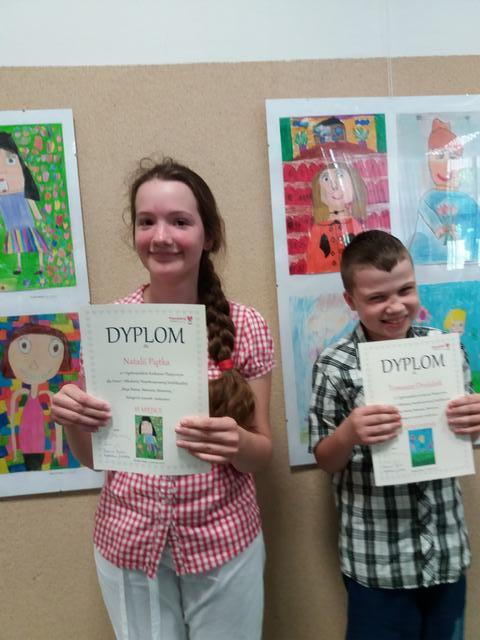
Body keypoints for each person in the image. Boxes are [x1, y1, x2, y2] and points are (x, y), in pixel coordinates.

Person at [51, 158, 275, 640]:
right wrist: (73, 419)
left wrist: (236, 443)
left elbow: (262, 453)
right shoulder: (110, 327)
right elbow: (94, 458)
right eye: (146, 221)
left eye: (180, 221)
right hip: (130, 542)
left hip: (223, 540)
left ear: (208, 234)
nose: (161, 236)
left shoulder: (246, 325)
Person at [309, 229, 480, 640]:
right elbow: (325, 458)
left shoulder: (444, 348)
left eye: (406, 290)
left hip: (445, 552)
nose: (396, 306)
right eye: (377, 297)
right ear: (351, 301)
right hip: (377, 561)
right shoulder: (334, 365)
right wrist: (349, 433)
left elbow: (467, 438)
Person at [1, 322, 71, 470]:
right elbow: (12, 424)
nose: (35, 362)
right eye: (24, 346)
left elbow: (58, 424)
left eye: (54, 349)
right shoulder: (18, 395)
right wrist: (15, 451)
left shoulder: (49, 396)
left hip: (41, 443)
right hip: (25, 444)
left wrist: (58, 448)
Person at [409, 118, 479, 265]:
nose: (446, 165)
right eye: (439, 156)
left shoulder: (467, 201)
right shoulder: (428, 198)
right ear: (429, 162)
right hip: (428, 263)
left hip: (465, 264)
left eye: (453, 157)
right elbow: (426, 215)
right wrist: (439, 228)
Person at [0, 131, 49, 275]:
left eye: (10, 161)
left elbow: (29, 197)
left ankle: (41, 265)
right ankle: (19, 265)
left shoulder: (22, 182)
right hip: (11, 220)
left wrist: (36, 213)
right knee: (16, 241)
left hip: (24, 217)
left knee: (33, 239)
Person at [306, 162, 367, 274]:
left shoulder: (355, 226)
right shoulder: (317, 230)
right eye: (326, 179)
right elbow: (312, 265)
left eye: (340, 176)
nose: (334, 186)